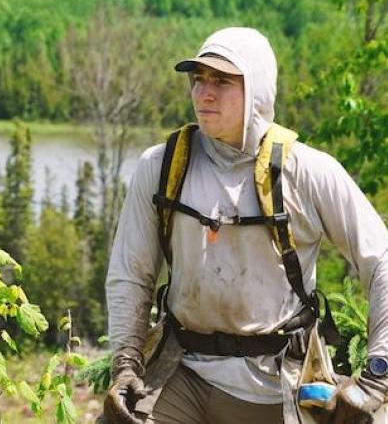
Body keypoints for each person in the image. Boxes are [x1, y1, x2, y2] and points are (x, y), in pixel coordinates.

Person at [102, 27, 388, 424]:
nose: (204, 92)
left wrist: (378, 377)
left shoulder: (305, 171)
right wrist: (126, 366)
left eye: (221, 80)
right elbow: (131, 275)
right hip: (182, 372)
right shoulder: (162, 166)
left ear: (256, 90)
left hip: (278, 382)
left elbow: (382, 261)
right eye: (198, 79)